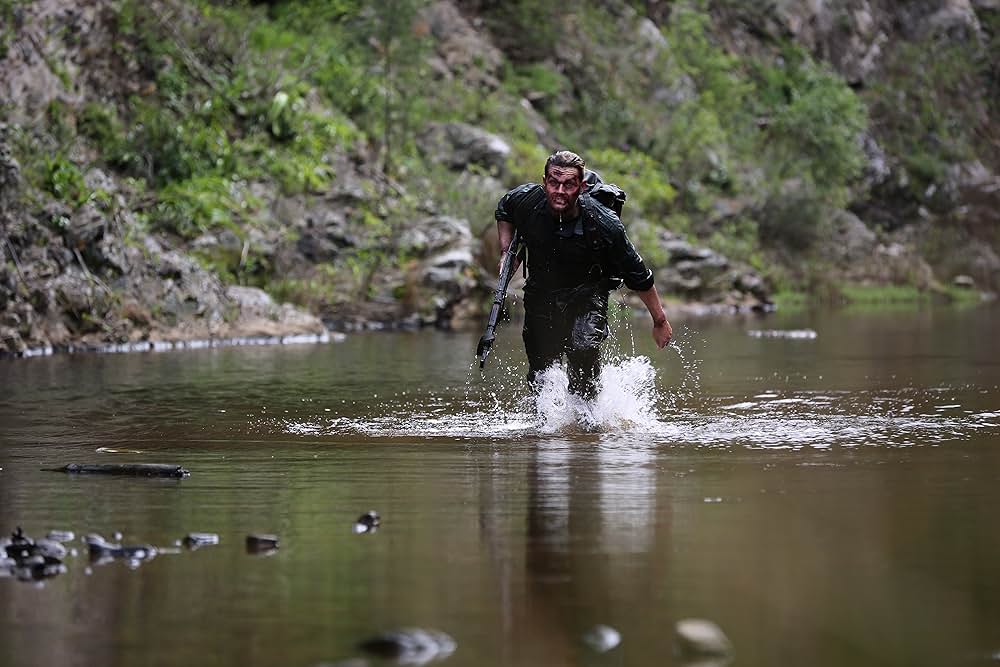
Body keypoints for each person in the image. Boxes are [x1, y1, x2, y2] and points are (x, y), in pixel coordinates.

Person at [495, 150, 672, 399]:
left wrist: (660, 320)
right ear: (544, 181)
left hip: (587, 296)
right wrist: (507, 251)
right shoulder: (528, 200)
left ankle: (587, 428)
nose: (560, 191)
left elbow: (638, 274)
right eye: (554, 182)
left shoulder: (603, 222)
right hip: (540, 294)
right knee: (540, 373)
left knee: (583, 352)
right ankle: (542, 433)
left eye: (569, 184)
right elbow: (504, 208)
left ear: (582, 186)